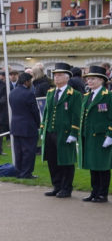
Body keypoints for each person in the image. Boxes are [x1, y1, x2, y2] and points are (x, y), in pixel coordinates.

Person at [40, 62, 81, 198]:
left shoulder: (74, 94)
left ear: (67, 77)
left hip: (64, 133)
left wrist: (74, 133)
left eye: (59, 75)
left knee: (66, 162)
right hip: (51, 131)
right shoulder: (51, 93)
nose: (56, 78)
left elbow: (76, 115)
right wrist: (42, 130)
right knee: (52, 161)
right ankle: (56, 186)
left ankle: (66, 188)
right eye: (55, 75)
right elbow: (46, 112)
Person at [79, 66, 112, 202]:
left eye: (92, 79)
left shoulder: (108, 96)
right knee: (93, 165)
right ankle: (94, 191)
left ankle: (102, 194)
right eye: (88, 79)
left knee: (103, 166)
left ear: (101, 80)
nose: (89, 81)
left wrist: (110, 135)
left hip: (102, 136)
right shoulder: (87, 96)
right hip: (89, 136)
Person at [9, 72, 41, 179]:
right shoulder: (29, 94)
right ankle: (26, 173)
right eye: (30, 81)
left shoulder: (12, 93)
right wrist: (38, 124)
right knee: (29, 151)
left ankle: (19, 171)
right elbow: (35, 111)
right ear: (26, 82)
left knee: (18, 151)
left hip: (16, 125)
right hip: (28, 125)